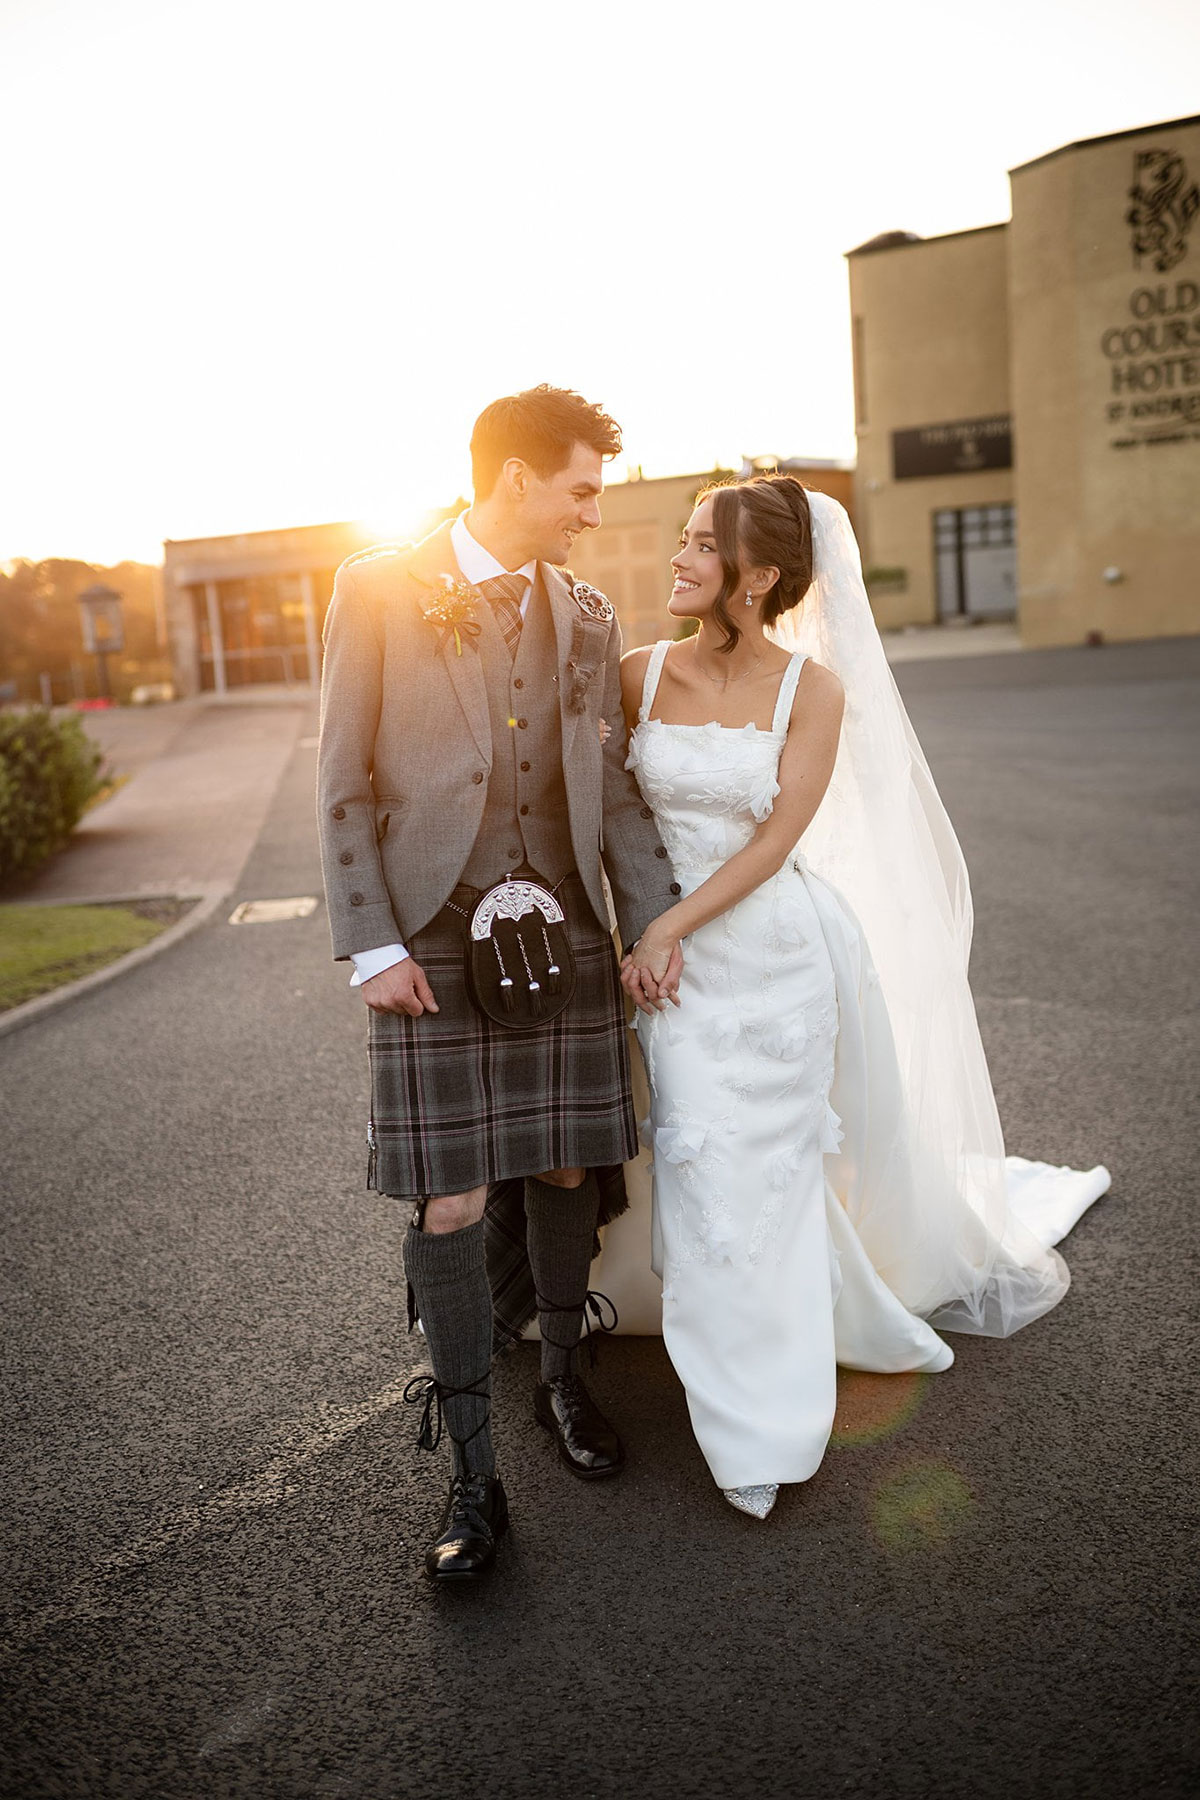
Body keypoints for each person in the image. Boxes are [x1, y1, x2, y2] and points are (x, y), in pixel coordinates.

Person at [618, 475, 1110, 1519]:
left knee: (775, 1174)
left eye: (702, 546)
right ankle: (741, 1389)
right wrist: (641, 928)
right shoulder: (635, 674)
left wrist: (670, 926)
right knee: (705, 1173)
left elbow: (774, 843)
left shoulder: (813, 693)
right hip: (672, 976)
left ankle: (771, 1406)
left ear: (756, 576)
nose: (678, 557)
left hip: (771, 958)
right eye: (683, 538)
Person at [317, 385, 681, 1580]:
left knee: (573, 1161)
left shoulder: (582, 610)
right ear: (517, 477)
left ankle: (565, 1388)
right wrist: (370, 942)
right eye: (582, 486)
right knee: (453, 1201)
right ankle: (471, 1474)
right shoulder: (377, 585)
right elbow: (345, 776)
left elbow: (611, 785)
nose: (592, 509)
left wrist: (655, 923)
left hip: (567, 925)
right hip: (431, 935)